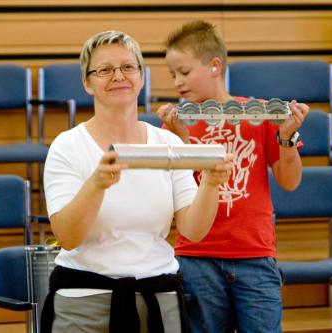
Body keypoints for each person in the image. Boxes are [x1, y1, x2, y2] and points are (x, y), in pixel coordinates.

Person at [41, 30, 233, 333]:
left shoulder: (167, 142)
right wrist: (97, 185)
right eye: (104, 70)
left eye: (128, 67)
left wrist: (211, 183)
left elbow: (193, 231)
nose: (118, 76)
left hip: (160, 299)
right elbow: (68, 236)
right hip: (85, 303)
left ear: (141, 77)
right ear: (87, 83)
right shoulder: (67, 146)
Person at [156, 20, 310, 333]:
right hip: (196, 256)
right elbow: (174, 187)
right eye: (172, 74)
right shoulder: (175, 125)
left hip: (255, 254)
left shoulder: (261, 113)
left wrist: (287, 137)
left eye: (184, 72)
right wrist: (181, 140)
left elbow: (290, 181)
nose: (177, 82)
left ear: (215, 66)